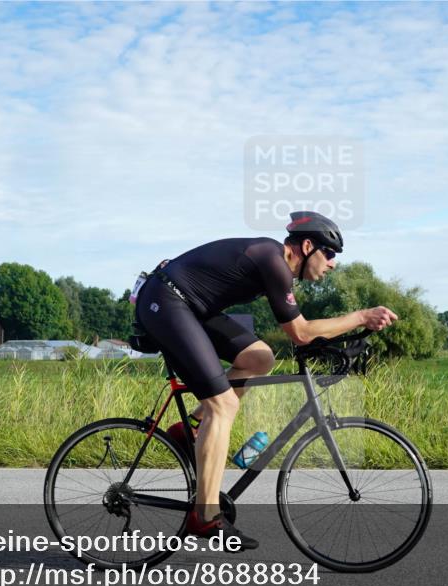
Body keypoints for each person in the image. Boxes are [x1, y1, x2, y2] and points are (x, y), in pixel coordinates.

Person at [134, 211, 398, 550]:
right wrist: (361, 316)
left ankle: (190, 429)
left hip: (192, 306)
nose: (332, 263)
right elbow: (301, 333)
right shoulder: (272, 261)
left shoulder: (275, 265)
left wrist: (348, 338)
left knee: (260, 358)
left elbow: (300, 333)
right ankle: (204, 516)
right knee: (224, 405)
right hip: (166, 301)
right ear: (307, 246)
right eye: (329, 254)